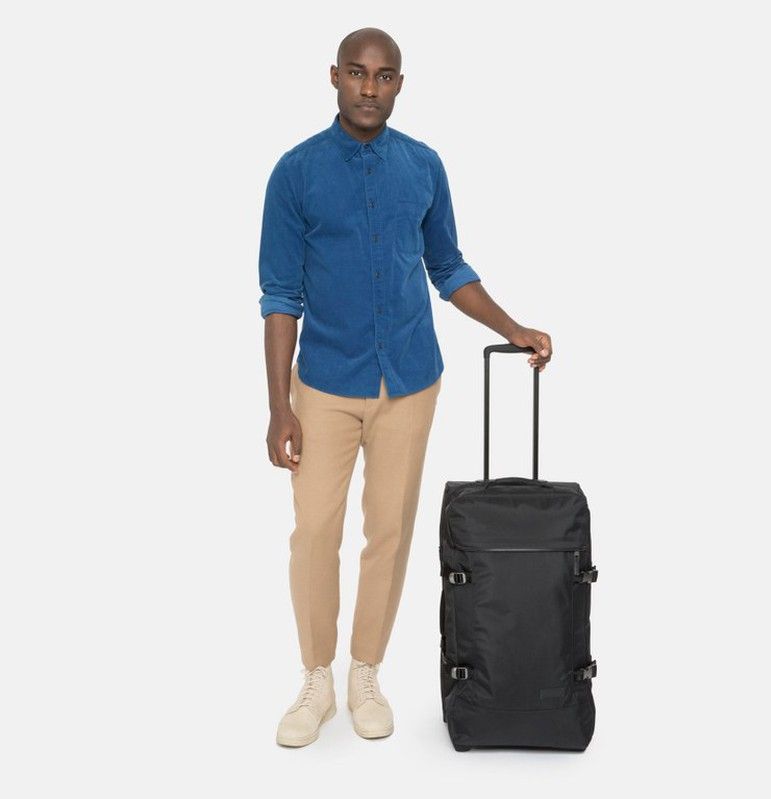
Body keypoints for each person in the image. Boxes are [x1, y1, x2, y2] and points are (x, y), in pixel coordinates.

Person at [258, 27, 552, 747]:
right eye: (357, 73)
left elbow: (447, 267)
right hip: (324, 383)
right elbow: (280, 296)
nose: (369, 87)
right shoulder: (295, 173)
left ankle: (366, 672)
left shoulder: (423, 166)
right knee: (314, 532)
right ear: (334, 76)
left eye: (383, 75)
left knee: (388, 532)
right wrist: (278, 407)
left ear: (399, 84)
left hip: (411, 380)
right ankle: (317, 677)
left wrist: (513, 326)